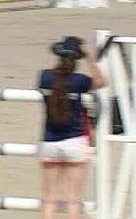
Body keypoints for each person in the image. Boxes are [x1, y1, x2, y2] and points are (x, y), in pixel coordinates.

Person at [38, 36, 105, 219]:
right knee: (74, 200)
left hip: (50, 141)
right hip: (74, 141)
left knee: (49, 200)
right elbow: (101, 81)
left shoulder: (44, 77)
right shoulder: (79, 81)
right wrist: (91, 56)